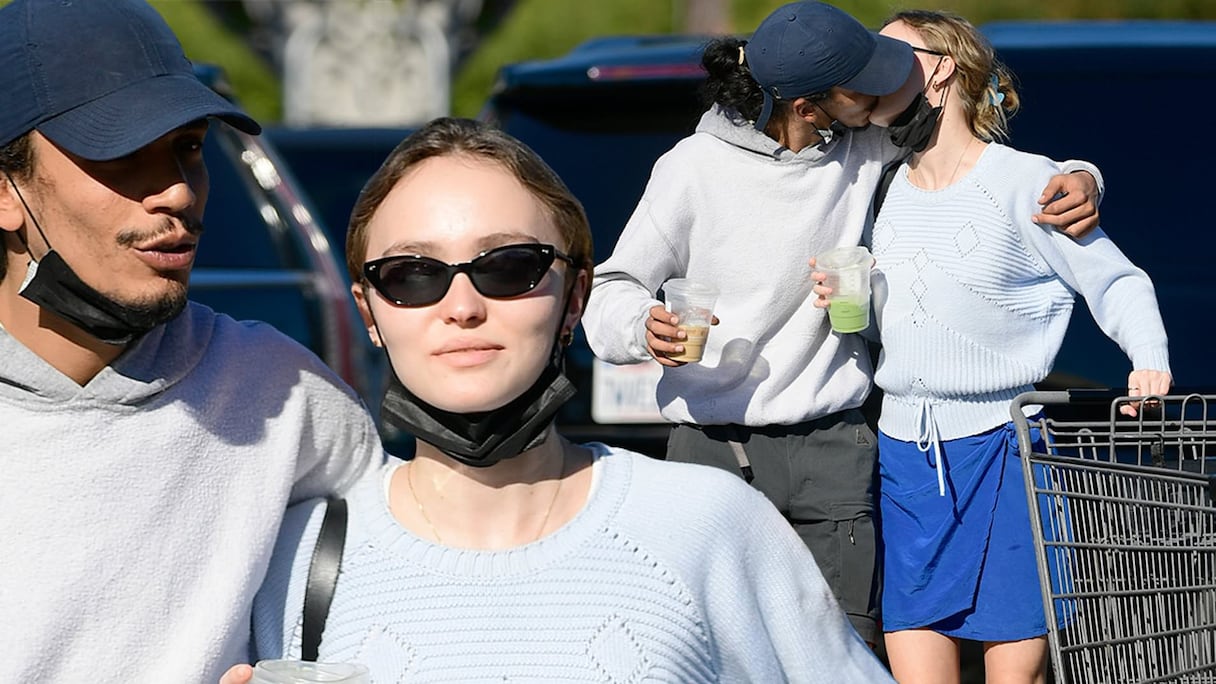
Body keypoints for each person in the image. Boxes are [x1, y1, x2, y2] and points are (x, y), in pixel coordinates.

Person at [221, 117, 895, 683]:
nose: (462, 306)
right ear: (370, 311)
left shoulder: (710, 527)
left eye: (508, 266)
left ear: (575, 297)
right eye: (411, 274)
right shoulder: (292, 560)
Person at [579, 0, 1103, 644]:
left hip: (837, 450)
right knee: (718, 648)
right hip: (714, 452)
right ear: (807, 108)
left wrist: (1082, 177)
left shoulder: (862, 143)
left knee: (842, 650)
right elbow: (612, 287)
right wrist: (642, 327)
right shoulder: (691, 169)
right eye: (867, 82)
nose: (886, 91)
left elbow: (983, 162)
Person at [0, 1, 383, 682]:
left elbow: (415, 590)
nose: (177, 190)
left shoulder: (280, 391)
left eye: (189, 147)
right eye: (119, 152)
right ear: (6, 192)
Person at [813, 10, 1171, 683]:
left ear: (944, 66)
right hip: (906, 456)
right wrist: (846, 309)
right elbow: (897, 326)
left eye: (893, 51)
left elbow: (1117, 282)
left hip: (1007, 449)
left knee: (1016, 676)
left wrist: (1147, 361)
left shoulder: (1023, 183)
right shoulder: (881, 183)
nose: (874, 65)